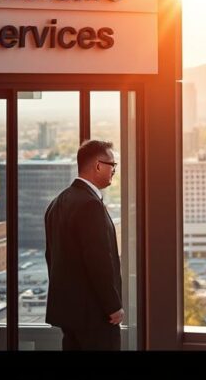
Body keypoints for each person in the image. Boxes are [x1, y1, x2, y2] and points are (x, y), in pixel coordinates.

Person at [45, 139, 123, 350]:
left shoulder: (57, 203)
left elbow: (51, 257)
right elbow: (98, 261)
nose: (114, 170)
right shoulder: (90, 205)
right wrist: (113, 306)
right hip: (95, 316)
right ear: (98, 165)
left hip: (69, 315)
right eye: (112, 165)